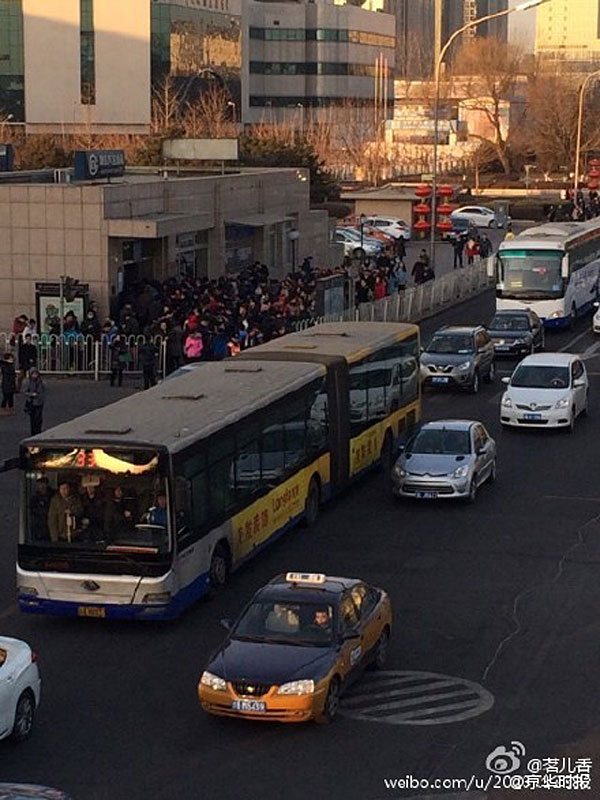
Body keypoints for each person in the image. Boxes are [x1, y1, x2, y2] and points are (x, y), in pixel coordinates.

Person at [24, 368, 45, 435]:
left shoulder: (40, 382)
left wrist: (31, 394)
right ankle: (34, 431)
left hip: (38, 403)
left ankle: (37, 431)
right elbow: (26, 391)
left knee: (37, 418)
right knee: (33, 419)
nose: (34, 375)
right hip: (32, 403)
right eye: (33, 374)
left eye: (35, 374)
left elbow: (39, 393)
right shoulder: (30, 382)